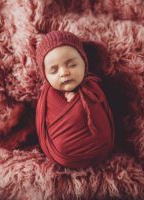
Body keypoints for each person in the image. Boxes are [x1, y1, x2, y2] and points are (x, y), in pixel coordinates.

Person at [35, 31, 115, 168]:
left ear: (84, 63)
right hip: (60, 156)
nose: (64, 73)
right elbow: (41, 125)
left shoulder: (93, 89)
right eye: (54, 71)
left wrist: (79, 101)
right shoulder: (47, 97)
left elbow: (102, 119)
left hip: (100, 151)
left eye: (72, 65)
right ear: (45, 75)